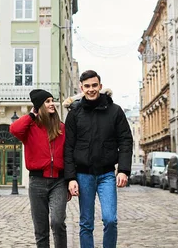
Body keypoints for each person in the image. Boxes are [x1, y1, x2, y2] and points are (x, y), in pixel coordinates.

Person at [65, 70, 133, 248]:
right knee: (86, 223)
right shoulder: (74, 113)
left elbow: (125, 140)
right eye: (87, 86)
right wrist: (71, 178)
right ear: (82, 88)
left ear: (100, 86)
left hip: (107, 175)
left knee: (110, 219)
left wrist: (124, 170)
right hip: (83, 175)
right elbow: (68, 147)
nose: (91, 89)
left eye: (94, 85)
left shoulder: (115, 111)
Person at [10, 89, 67, 248]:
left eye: (52, 101)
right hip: (37, 182)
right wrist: (31, 115)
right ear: (39, 106)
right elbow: (14, 129)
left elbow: (69, 156)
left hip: (59, 181)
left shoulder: (61, 127)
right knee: (40, 229)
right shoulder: (29, 128)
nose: (52, 104)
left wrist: (70, 180)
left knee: (57, 222)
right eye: (47, 101)